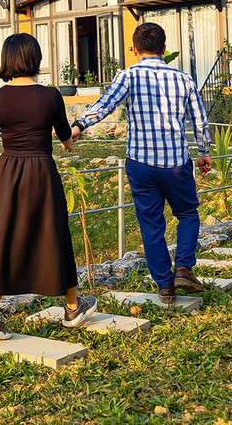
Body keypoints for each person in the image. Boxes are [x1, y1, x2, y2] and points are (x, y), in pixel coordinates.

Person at [0, 32, 98, 339]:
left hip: (6, 173)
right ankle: (73, 308)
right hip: (42, 173)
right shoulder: (50, 97)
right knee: (54, 234)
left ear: (7, 61)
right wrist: (75, 133)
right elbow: (66, 143)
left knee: (1, 237)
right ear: (35, 59)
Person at [70, 22, 213, 305]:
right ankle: (183, 267)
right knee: (187, 213)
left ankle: (165, 286)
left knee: (151, 225)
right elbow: (199, 119)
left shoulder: (129, 76)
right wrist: (204, 152)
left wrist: (78, 126)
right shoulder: (183, 78)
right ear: (164, 49)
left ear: (134, 50)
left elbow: (105, 104)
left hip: (141, 163)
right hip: (176, 162)